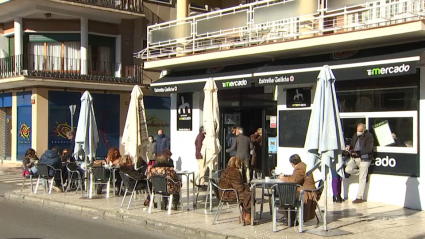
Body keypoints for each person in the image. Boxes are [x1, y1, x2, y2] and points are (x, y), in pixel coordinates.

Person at [279, 154, 318, 224]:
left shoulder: (300, 168)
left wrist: (283, 178)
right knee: (288, 196)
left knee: (286, 197)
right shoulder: (303, 165)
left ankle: (291, 219)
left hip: (307, 193)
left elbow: (294, 180)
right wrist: (286, 176)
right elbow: (296, 177)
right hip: (307, 190)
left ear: (292, 163)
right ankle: (291, 218)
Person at [345, 123, 374, 204]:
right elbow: (353, 144)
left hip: (364, 159)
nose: (358, 132)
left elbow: (368, 149)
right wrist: (349, 147)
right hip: (355, 158)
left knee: (362, 179)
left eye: (360, 131)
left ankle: (359, 197)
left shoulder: (369, 136)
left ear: (364, 130)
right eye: (358, 131)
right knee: (348, 169)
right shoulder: (355, 135)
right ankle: (363, 174)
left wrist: (358, 153)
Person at [218, 156, 252, 224]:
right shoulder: (234, 172)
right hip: (228, 194)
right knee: (249, 195)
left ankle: (243, 216)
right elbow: (239, 188)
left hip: (223, 193)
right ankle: (247, 217)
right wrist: (247, 186)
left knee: (246, 193)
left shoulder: (227, 170)